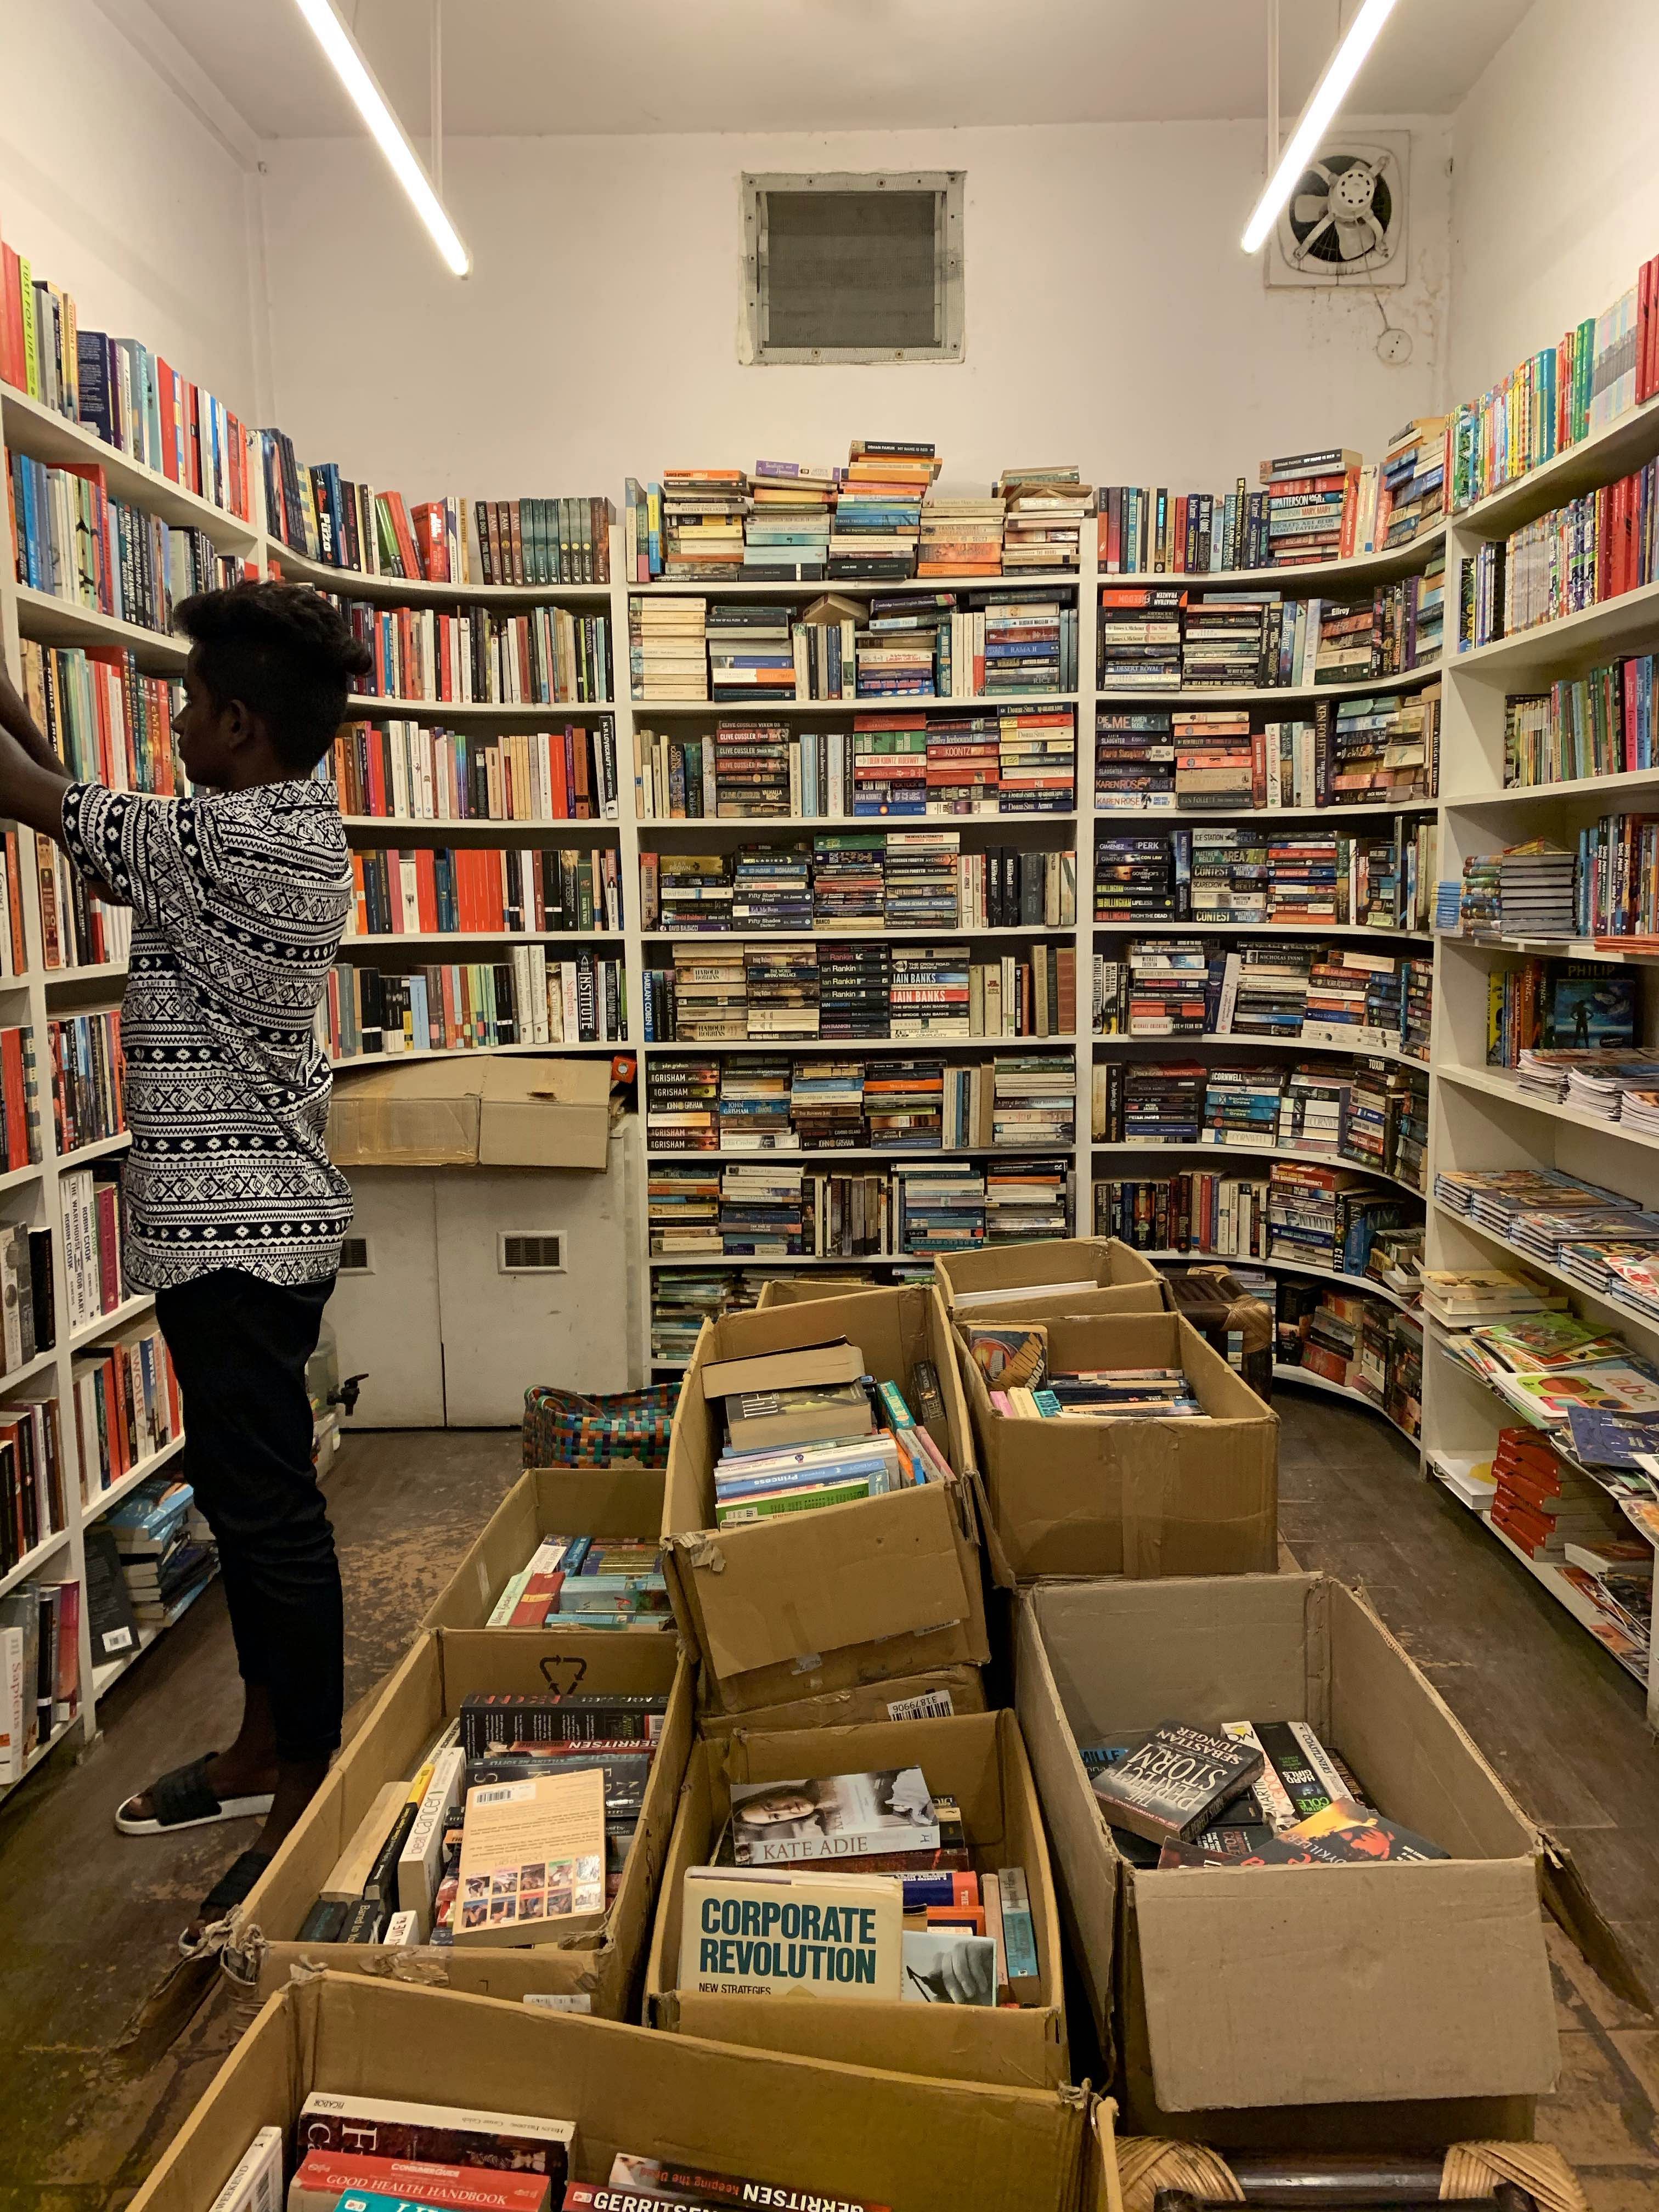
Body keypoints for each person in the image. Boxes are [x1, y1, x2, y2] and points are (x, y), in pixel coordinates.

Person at [0, 581, 370, 1947]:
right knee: (245, 1496)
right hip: (243, 1229)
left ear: (238, 724)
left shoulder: (224, 845)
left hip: (239, 1238)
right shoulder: (269, 827)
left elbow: (42, 801)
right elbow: (80, 815)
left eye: (188, 703)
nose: (170, 721)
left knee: (271, 1520)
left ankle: (307, 1786)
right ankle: (262, 1746)